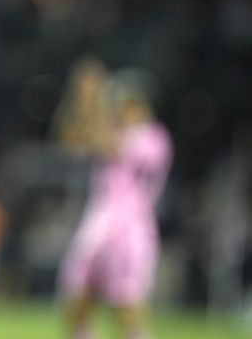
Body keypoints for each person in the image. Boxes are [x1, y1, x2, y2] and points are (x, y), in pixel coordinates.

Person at [55, 68, 173, 339]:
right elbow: (72, 139)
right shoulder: (120, 130)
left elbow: (109, 144)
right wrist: (80, 103)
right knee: (78, 298)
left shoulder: (153, 136)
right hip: (99, 223)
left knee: (128, 307)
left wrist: (90, 102)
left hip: (130, 229)